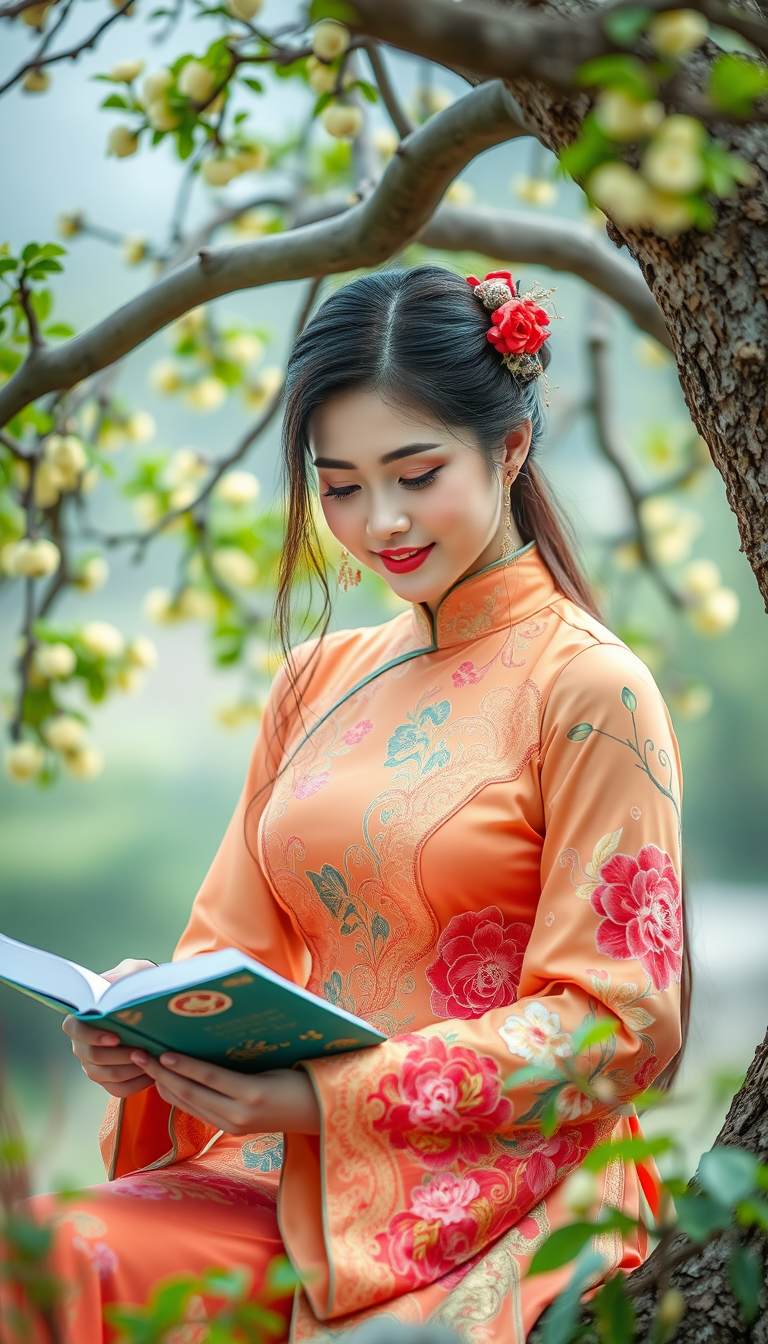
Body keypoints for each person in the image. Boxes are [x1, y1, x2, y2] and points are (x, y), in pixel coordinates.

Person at [22, 266, 688, 1343]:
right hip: (272, 1169)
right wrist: (147, 1034)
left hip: (503, 1191)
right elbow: (231, 955)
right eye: (340, 487)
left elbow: (616, 1024)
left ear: (509, 449)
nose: (380, 522)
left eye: (417, 474)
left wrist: (333, 1100)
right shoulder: (313, 682)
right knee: (43, 1260)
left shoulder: (591, 687)